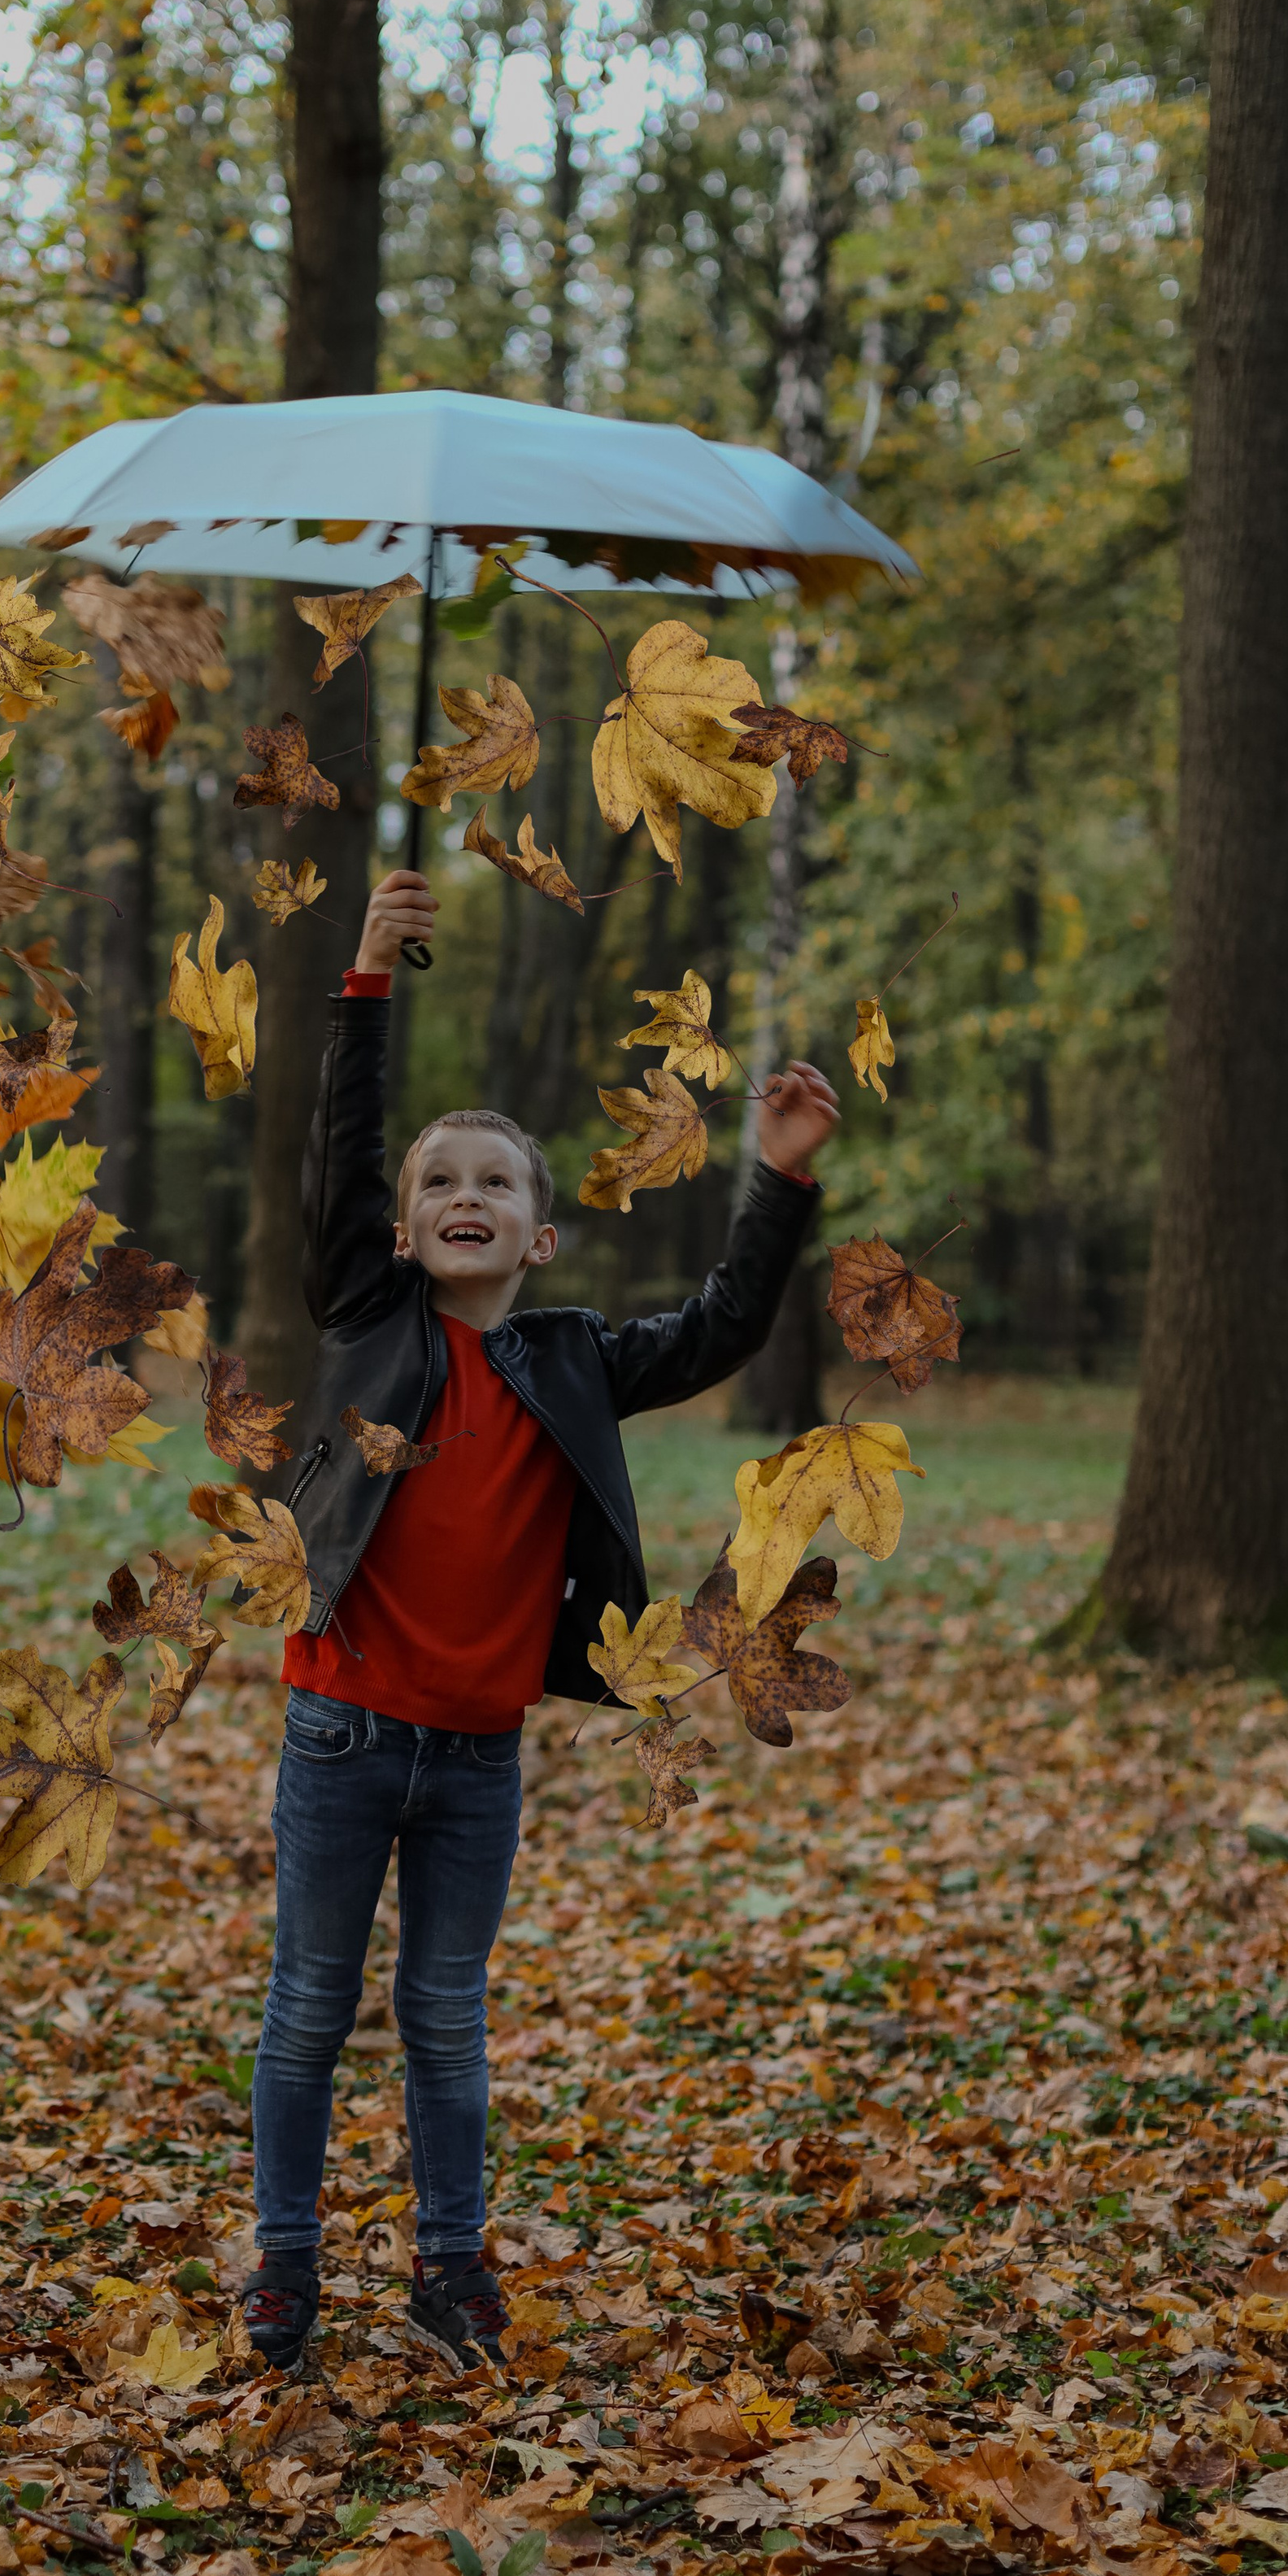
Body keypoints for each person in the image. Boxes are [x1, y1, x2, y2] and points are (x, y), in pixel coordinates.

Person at [239, 869, 839, 2372]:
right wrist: (365, 979)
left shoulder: (572, 1359)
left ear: (539, 1237)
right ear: (403, 1230)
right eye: (440, 1183)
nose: (465, 1198)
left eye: (496, 1186)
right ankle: (285, 2268)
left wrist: (778, 1181)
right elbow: (340, 1159)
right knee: (309, 2008)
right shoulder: (366, 1318)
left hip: (476, 1758)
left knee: (446, 2016)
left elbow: (723, 1327)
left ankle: (451, 2271)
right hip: (341, 1733)